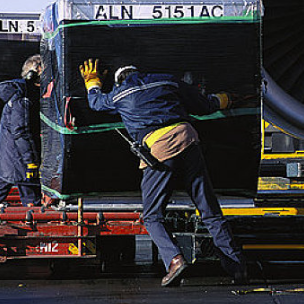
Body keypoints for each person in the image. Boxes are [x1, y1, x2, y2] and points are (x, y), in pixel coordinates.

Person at [80, 59, 248, 287]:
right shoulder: (167, 81)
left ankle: (175, 260)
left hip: (159, 149)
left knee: (152, 216)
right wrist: (226, 99)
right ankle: (238, 268)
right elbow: (205, 104)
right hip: (188, 139)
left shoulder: (119, 94)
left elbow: (96, 103)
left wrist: (92, 82)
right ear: (139, 72)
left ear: (120, 80)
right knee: (209, 210)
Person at [0, 55, 43, 207]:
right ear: (33, 75)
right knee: (32, 200)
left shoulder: (18, 96)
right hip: (18, 160)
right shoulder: (22, 99)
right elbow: (21, 132)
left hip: (10, 159)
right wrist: (31, 162)